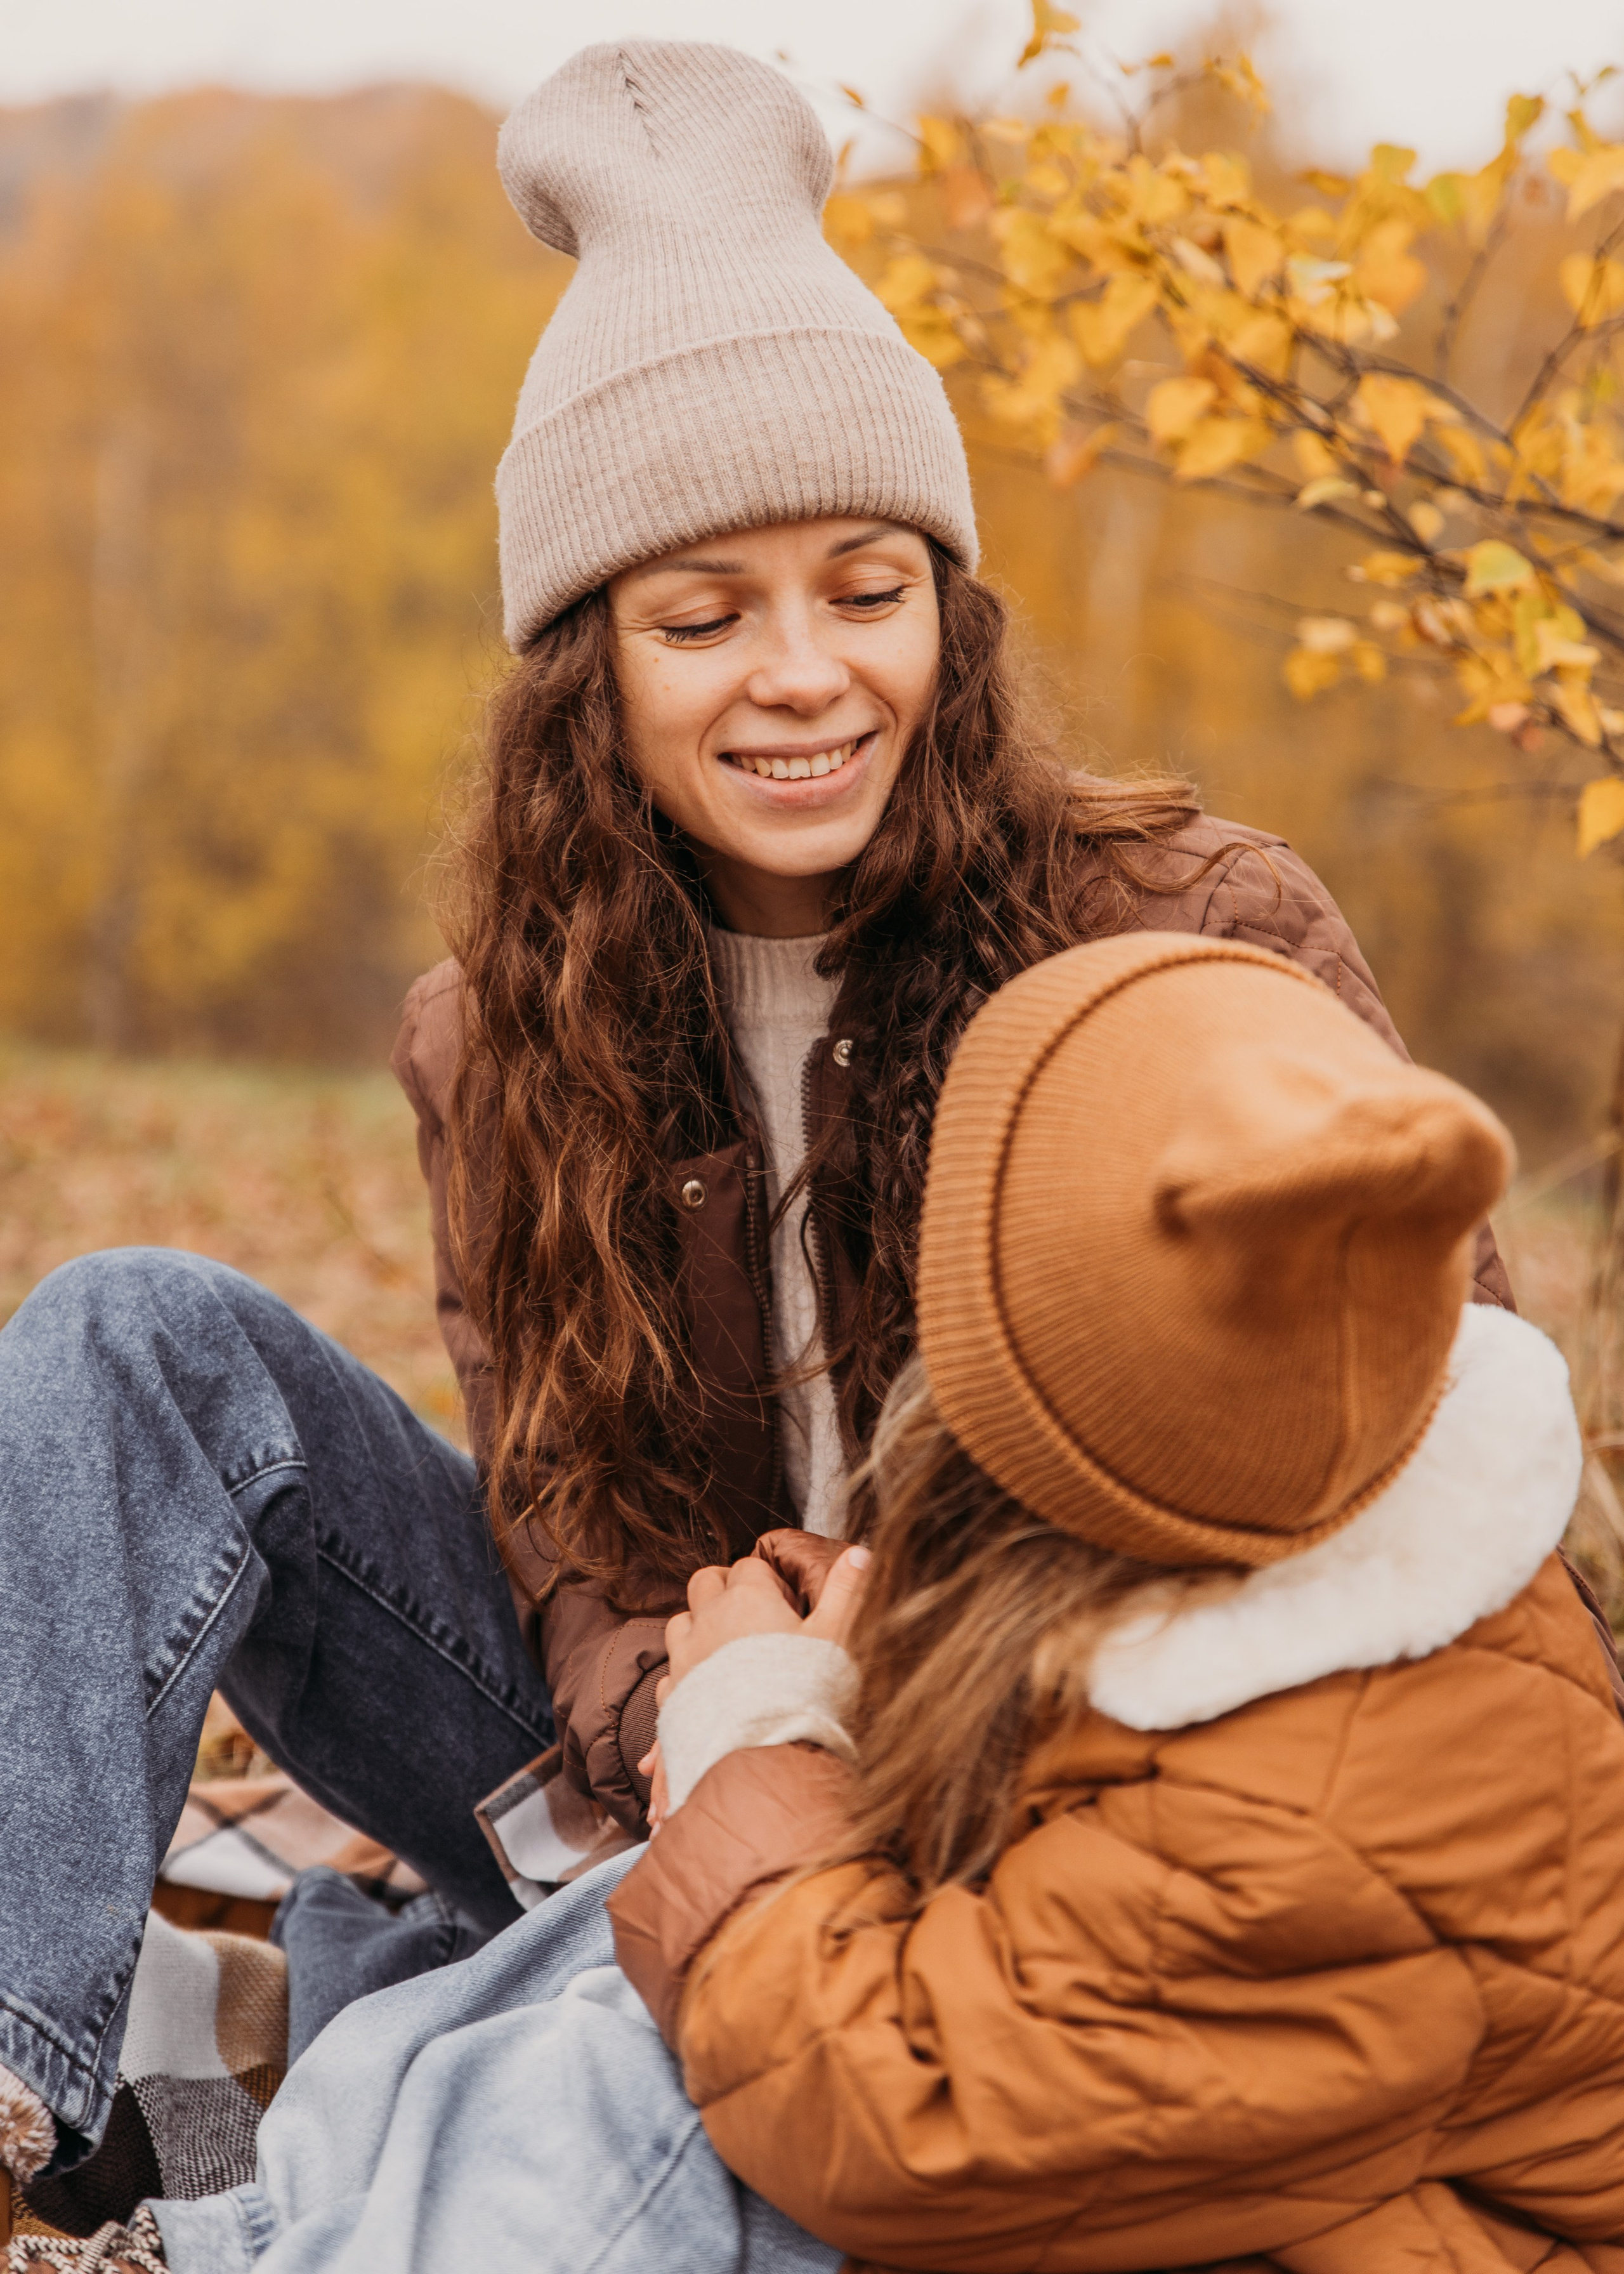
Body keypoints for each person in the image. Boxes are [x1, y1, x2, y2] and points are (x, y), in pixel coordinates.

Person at [0, 37, 1510, 2228]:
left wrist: (886, 1656)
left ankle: (354, 2034)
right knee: (126, 1334)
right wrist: (694, 1714)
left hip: (1061, 1775)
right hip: (651, 1763)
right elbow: (565, 1537)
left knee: (459, 2033)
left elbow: (1430, 1461)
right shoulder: (499, 1028)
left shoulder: (1197, 933)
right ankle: (43, 2083)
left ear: (948, 613)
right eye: (704, 618)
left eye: (865, 590)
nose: (802, 673)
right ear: (588, 673)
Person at [610, 932, 1624, 2274]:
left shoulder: (1302, 1830)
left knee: (621, 2078)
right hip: (1222, 2174)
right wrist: (860, 1652)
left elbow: (894, 2108)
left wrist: (759, 1732)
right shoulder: (1349, 1519)